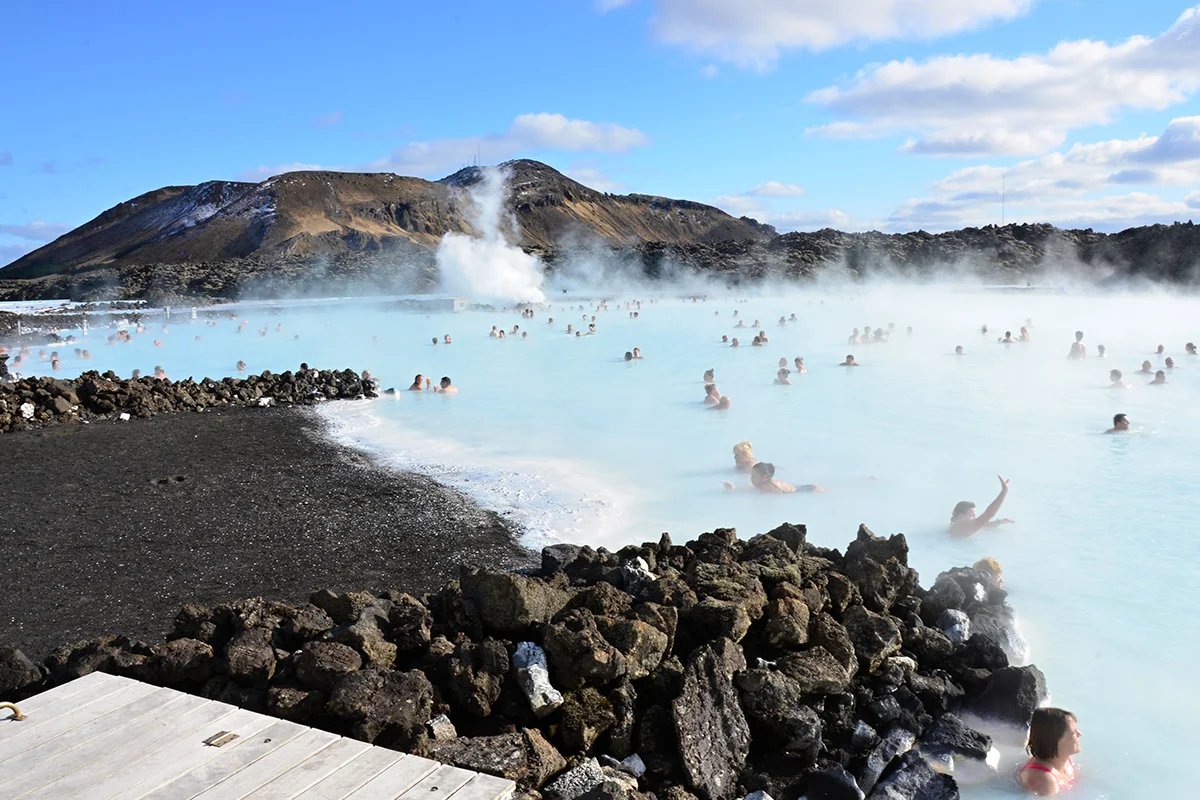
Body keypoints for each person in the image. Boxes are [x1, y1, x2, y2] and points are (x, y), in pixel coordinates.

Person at [1018, 707, 1080, 796]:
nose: (1079, 734)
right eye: (1074, 732)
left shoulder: (1065, 759)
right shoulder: (1045, 780)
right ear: (1056, 740)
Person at [948, 475, 1014, 537]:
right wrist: (1004, 492)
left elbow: (982, 524)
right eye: (971, 515)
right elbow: (989, 514)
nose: (974, 517)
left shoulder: (955, 524)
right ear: (961, 515)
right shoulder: (964, 528)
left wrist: (999, 522)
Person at [724, 462, 824, 494]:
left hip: (809, 490)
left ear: (764, 477)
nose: (751, 478)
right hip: (800, 488)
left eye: (754, 476)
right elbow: (753, 489)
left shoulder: (771, 488)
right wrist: (734, 488)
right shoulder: (764, 483)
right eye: (751, 475)